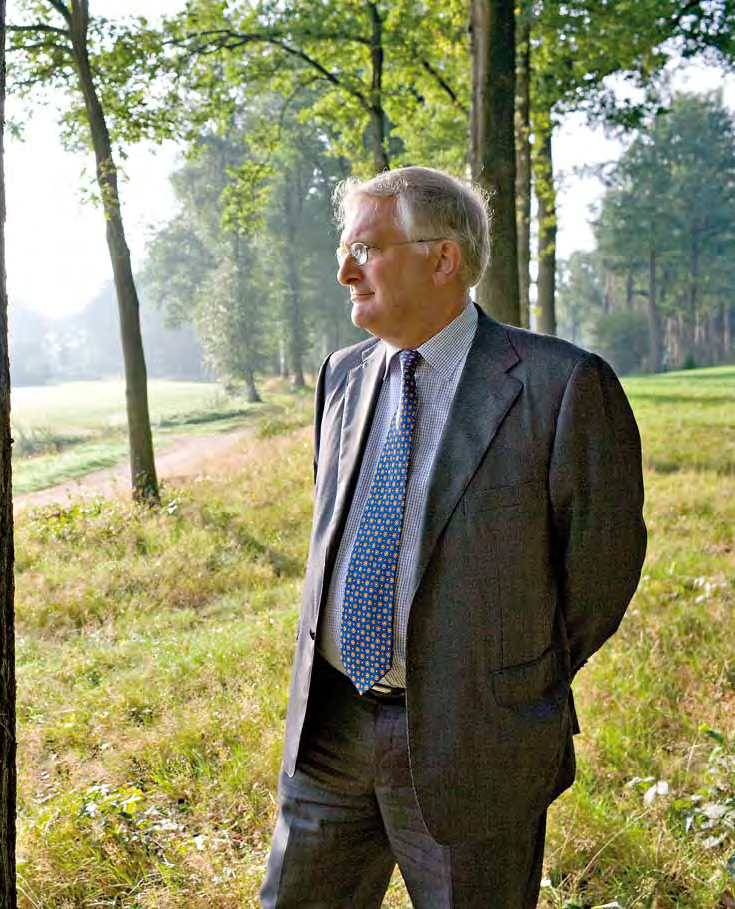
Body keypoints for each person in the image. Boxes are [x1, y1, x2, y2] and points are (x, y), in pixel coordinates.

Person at [260, 166, 647, 908]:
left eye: (366, 249)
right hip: (331, 726)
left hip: (472, 742)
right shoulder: (340, 377)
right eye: (345, 251)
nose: (344, 271)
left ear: (442, 259)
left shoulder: (560, 385)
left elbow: (600, 574)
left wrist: (503, 682)